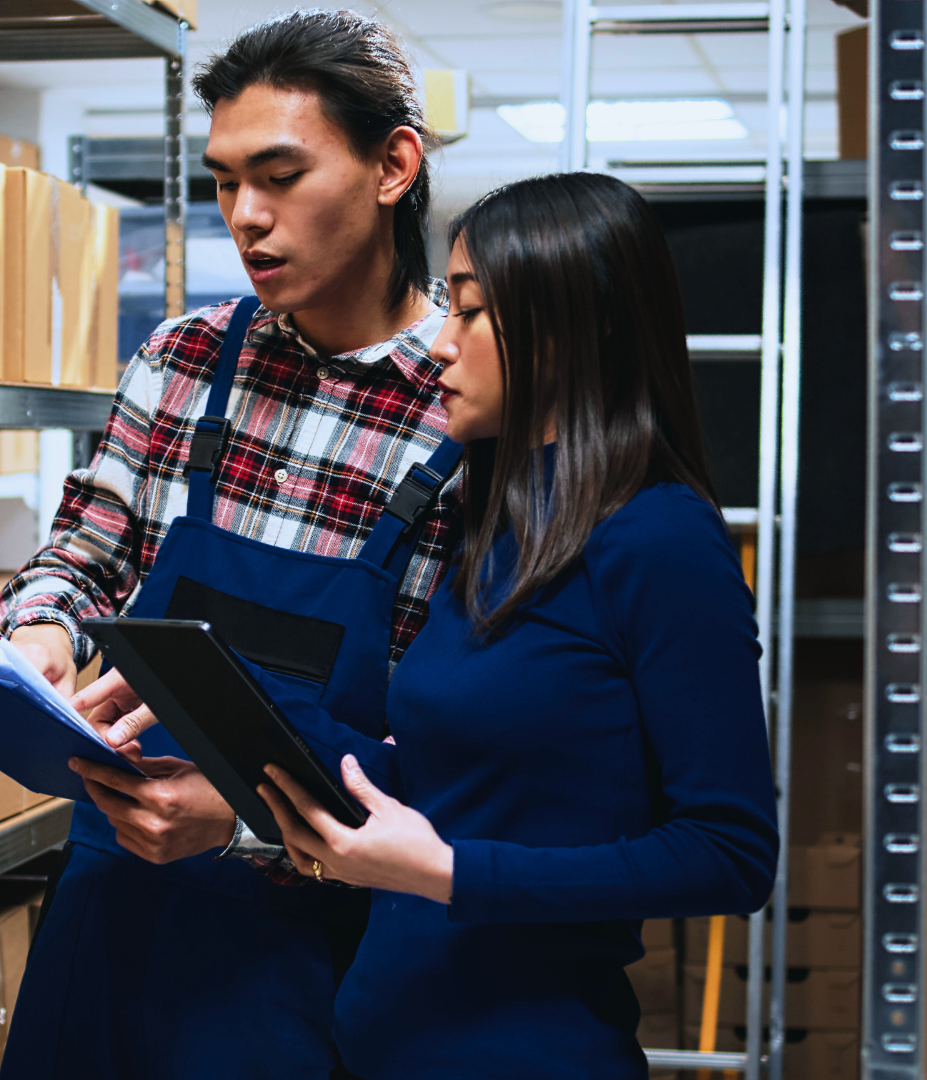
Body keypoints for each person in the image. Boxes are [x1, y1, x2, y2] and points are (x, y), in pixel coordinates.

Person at [0, 11, 462, 1078]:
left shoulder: (463, 414)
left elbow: (459, 747)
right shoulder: (185, 359)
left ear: (392, 166)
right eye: (226, 182)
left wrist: (250, 821)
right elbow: (81, 553)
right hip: (111, 894)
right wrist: (39, 633)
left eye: (280, 175)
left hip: (314, 941)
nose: (246, 217)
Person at [254, 172, 780, 1080]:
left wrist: (448, 874)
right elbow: (455, 786)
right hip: (383, 1042)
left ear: (579, 330)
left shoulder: (659, 540)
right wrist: (252, 711)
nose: (440, 349)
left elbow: (730, 854)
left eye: (469, 313)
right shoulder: (499, 522)